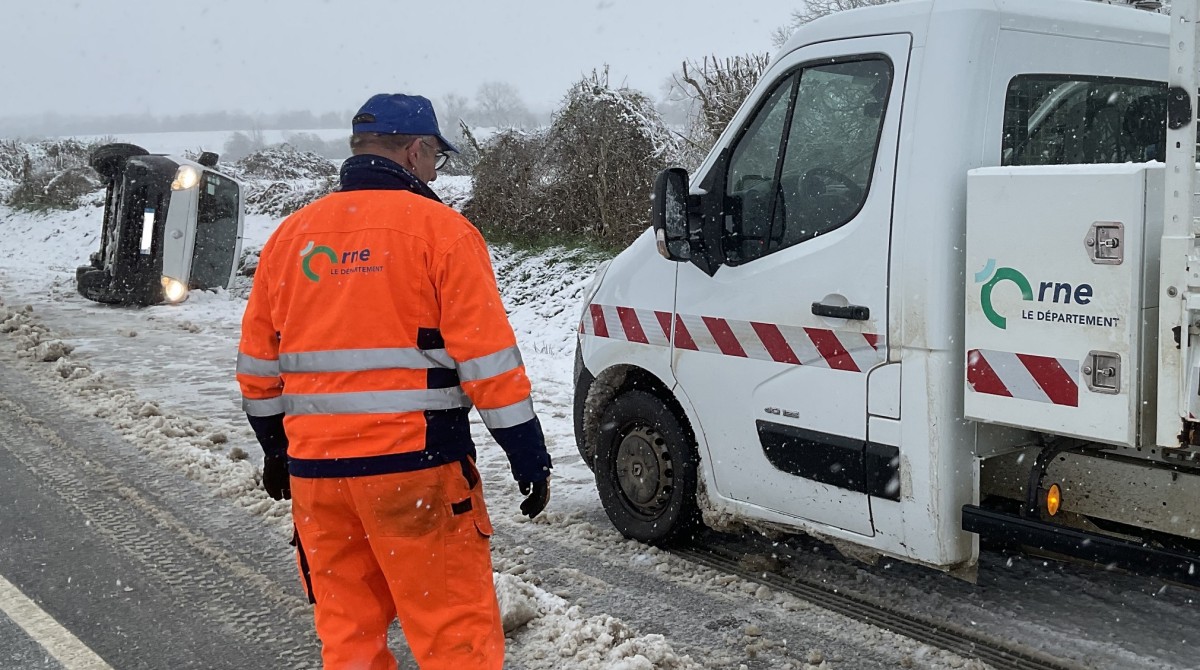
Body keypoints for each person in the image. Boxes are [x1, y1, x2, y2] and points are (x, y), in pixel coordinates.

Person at [235, 92, 552, 670]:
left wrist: (277, 451)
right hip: (417, 470)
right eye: (435, 159)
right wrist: (527, 453)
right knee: (455, 634)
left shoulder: (290, 238)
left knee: (349, 635)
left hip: (319, 482)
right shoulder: (442, 232)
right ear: (415, 151)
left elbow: (258, 365)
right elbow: (488, 362)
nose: (435, 172)